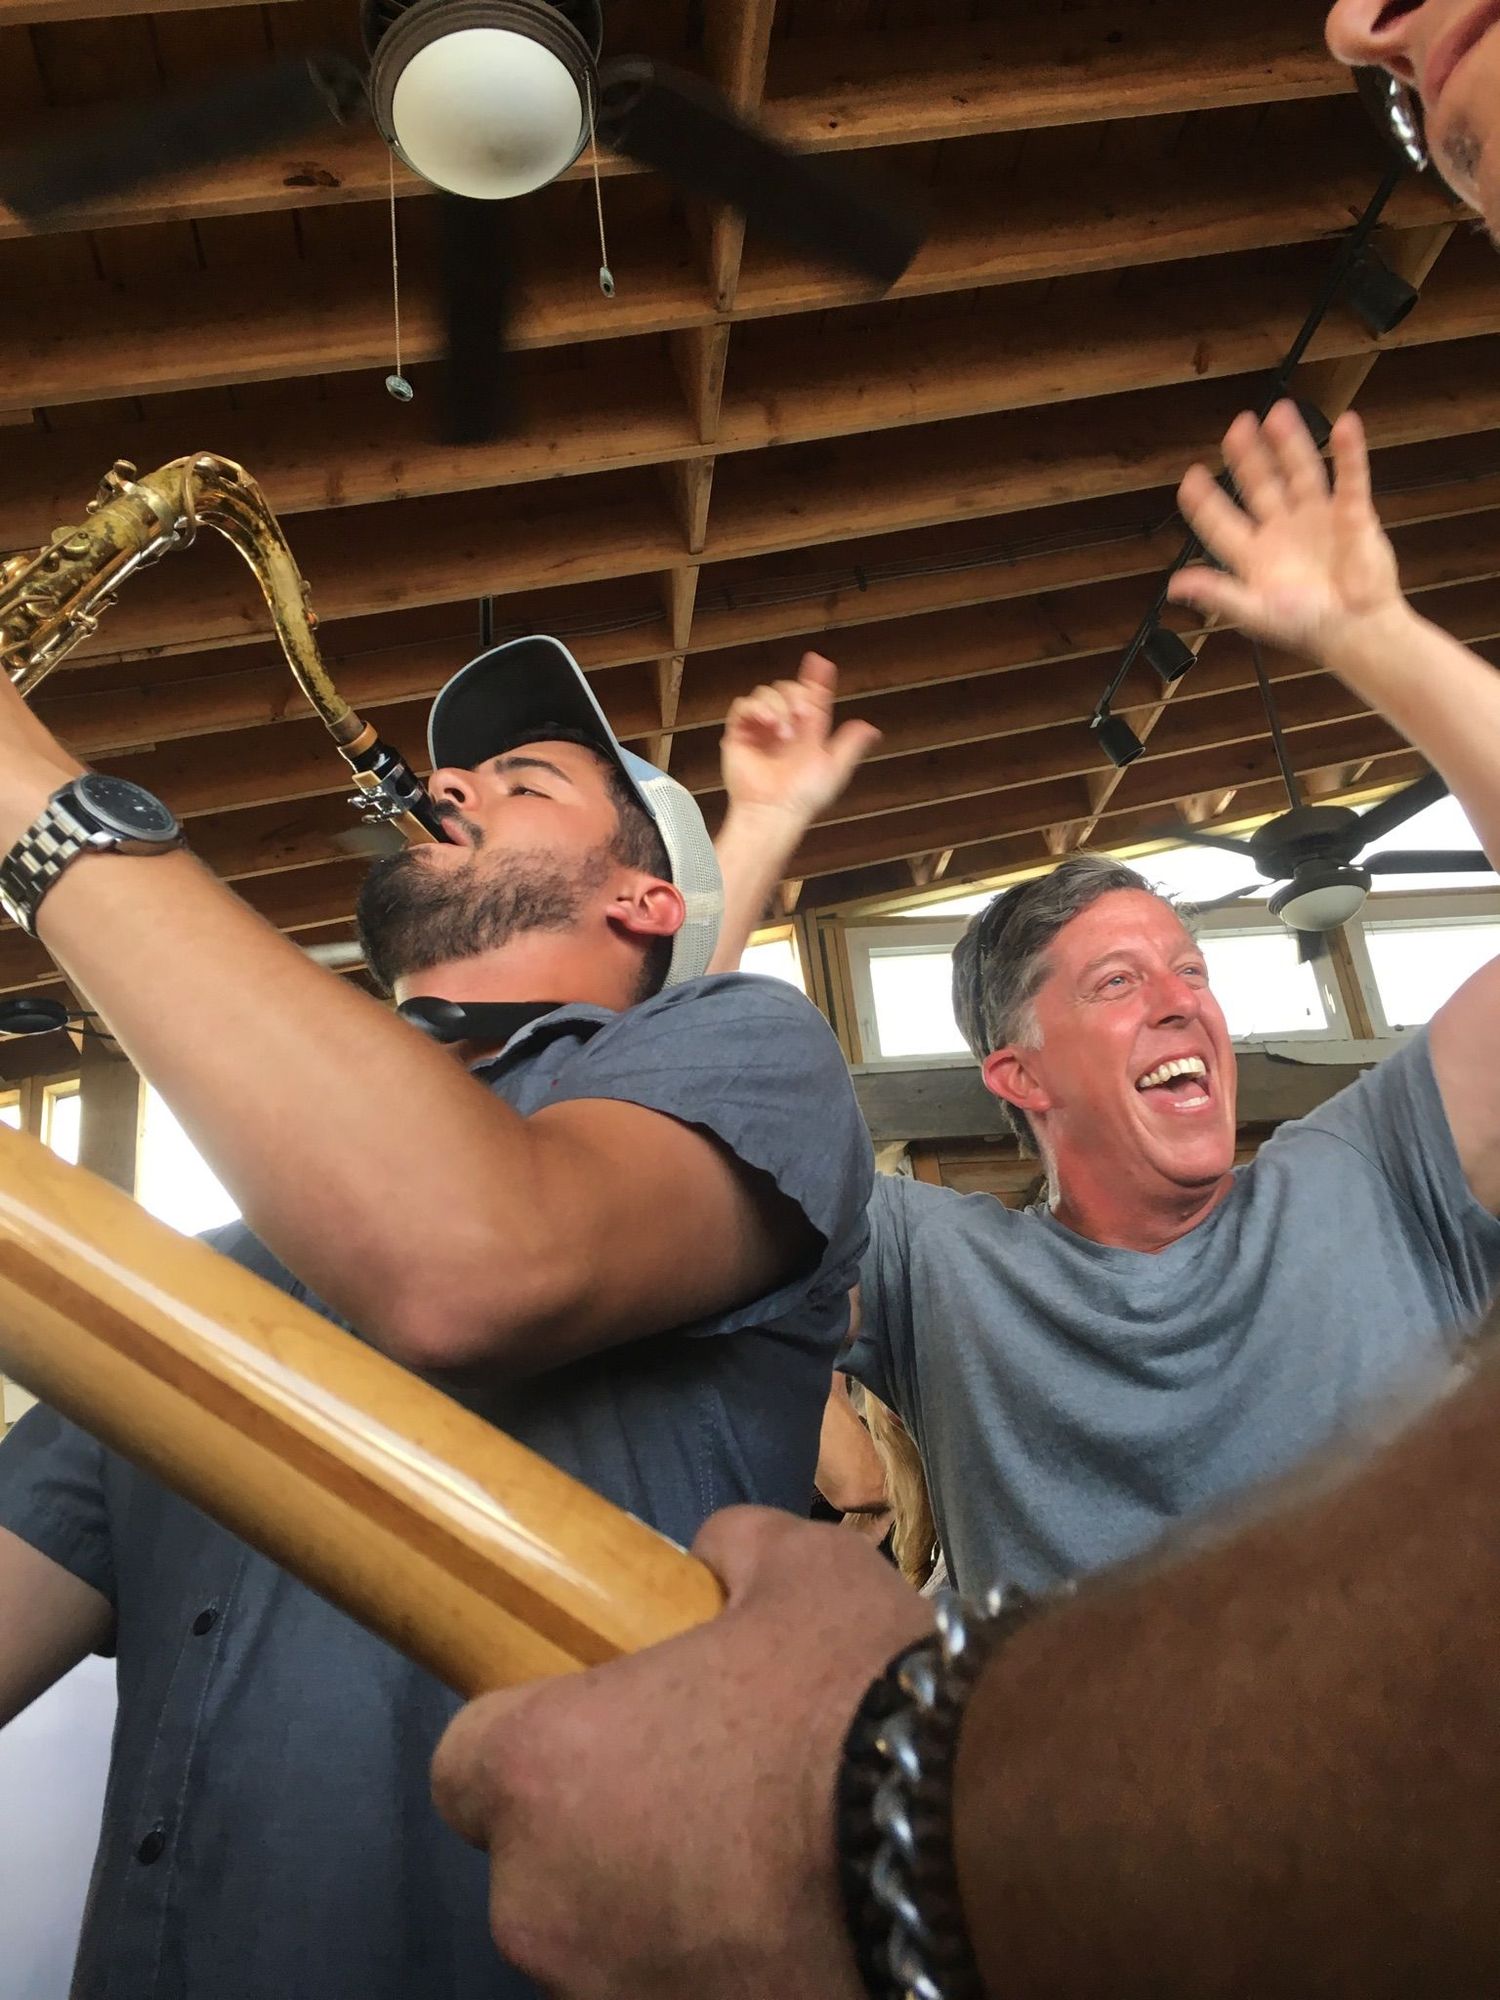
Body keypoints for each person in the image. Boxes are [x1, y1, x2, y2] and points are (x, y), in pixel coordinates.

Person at [430, 8, 1500, 1974]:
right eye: (1122, 980)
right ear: (1013, 1070)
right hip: (1068, 1920)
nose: (1187, 1003)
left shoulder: (1389, 1168)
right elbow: (638, 1112)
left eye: (1194, 969)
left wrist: (1377, 640)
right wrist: (753, 838)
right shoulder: (938, 1276)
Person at [0, 634, 873, 2000]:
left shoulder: (749, 1050)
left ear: (646, 901)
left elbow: (471, 1259)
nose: (449, 782)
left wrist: (30, 792)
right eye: (462, 771)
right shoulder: (208, 1274)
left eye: (523, 779)